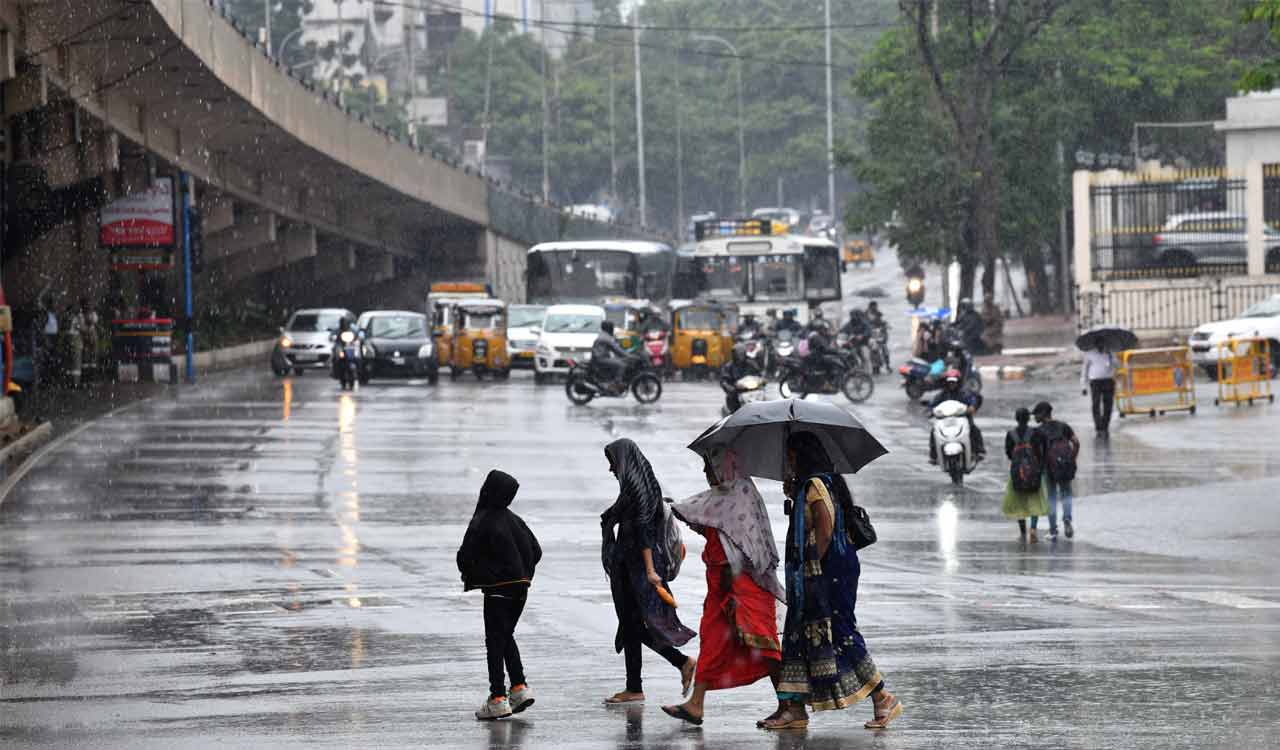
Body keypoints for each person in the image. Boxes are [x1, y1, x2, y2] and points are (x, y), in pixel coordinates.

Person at [761, 432, 902, 731]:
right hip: (830, 568)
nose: (788, 462)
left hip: (829, 571)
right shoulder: (818, 483)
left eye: (791, 457)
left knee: (839, 631)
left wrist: (812, 571)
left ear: (802, 456)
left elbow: (824, 529)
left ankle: (883, 696)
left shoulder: (815, 485)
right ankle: (795, 709)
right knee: (800, 633)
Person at [662, 448, 784, 726]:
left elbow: (741, 549)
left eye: (709, 467)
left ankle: (791, 706)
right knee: (713, 640)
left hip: (744, 588)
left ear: (723, 466)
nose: (706, 474)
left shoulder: (738, 496)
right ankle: (696, 705)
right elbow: (708, 521)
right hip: (721, 588)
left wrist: (733, 594)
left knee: (764, 646)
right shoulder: (724, 496)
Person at [600, 439, 696, 705]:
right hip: (629, 567)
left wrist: (651, 572)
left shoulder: (637, 490)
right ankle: (634, 687)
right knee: (630, 626)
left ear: (624, 461)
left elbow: (642, 531)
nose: (611, 469)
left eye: (612, 462)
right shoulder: (639, 486)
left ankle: (682, 663)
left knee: (634, 625)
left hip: (638, 570)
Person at [457, 470, 543, 721]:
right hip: (520, 589)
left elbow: (465, 556)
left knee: (494, 642)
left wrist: (481, 573)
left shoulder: (482, 519)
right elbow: (536, 550)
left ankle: (497, 697)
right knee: (505, 636)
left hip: (497, 591)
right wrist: (523, 572)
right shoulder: (515, 520)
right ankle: (518, 687)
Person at [1032, 402, 1079, 540]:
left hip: (1048, 467)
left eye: (1036, 414)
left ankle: (1053, 530)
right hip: (1064, 465)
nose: (1034, 417)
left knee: (1051, 496)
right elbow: (1076, 442)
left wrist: (1039, 467)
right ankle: (1067, 519)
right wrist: (1072, 459)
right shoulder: (1063, 426)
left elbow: (1036, 453)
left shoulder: (1038, 431)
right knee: (1066, 493)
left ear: (1043, 414)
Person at [1003, 408, 1050, 542]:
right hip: (1033, 471)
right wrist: (1039, 465)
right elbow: (1043, 450)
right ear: (1028, 419)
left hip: (1017, 471)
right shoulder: (1036, 433)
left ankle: (1023, 530)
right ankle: (1033, 529)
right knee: (1034, 501)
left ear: (1016, 419)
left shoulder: (1011, 434)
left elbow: (1008, 453)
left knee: (1019, 502)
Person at [928, 370, 985, 462]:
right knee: (934, 431)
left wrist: (972, 407)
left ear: (958, 382)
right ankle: (934, 455)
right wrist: (930, 410)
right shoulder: (942, 395)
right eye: (949, 382)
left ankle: (979, 451)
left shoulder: (964, 393)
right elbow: (932, 404)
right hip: (945, 420)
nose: (952, 384)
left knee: (974, 429)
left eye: (954, 382)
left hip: (962, 418)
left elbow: (973, 400)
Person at [1081, 343, 1117, 435]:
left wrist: (1111, 357)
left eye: (1102, 342)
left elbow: (1118, 365)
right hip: (1095, 381)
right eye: (1098, 342)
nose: (1100, 345)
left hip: (1108, 380)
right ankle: (1098, 426)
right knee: (1095, 404)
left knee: (1108, 404)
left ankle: (1105, 425)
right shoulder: (1089, 353)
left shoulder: (1110, 352)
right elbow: (1084, 370)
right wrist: (1083, 386)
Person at [593, 320, 634, 390]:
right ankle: (616, 383)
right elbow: (616, 349)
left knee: (619, 360)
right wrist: (628, 356)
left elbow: (616, 347)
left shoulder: (604, 335)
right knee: (622, 365)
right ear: (608, 328)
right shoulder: (606, 337)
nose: (613, 329)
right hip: (601, 359)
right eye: (612, 327)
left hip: (602, 357)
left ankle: (612, 380)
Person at [720, 345, 761, 412]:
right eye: (738, 354)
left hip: (751, 390)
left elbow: (758, 375)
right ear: (734, 354)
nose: (740, 355)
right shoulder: (729, 366)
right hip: (737, 391)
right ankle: (733, 413)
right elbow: (724, 379)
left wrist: (761, 380)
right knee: (733, 401)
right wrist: (729, 386)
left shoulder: (751, 364)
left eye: (742, 353)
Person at [80, 298, 100, 378]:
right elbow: (83, 326)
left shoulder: (92, 313)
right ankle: (87, 375)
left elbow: (94, 320)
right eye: (86, 304)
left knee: (93, 356)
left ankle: (92, 374)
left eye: (88, 304)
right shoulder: (81, 314)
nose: (87, 306)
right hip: (86, 337)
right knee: (86, 357)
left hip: (91, 336)